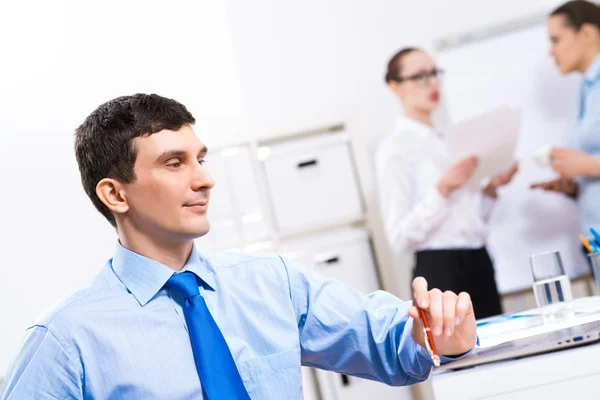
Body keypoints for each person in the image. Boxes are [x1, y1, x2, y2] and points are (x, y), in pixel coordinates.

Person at [0, 94, 477, 399]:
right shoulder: (67, 339)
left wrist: (435, 333)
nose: (204, 179)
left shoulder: (272, 283)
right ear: (115, 194)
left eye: (201, 159)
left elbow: (390, 344)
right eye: (174, 163)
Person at [376, 49, 519, 320]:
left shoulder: (448, 137)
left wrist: (490, 189)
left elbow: (468, 220)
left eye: (434, 73)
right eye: (419, 76)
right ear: (395, 87)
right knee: (457, 358)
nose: (432, 83)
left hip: (478, 259)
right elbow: (399, 237)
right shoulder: (394, 148)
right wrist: (442, 191)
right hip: (440, 270)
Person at [531, 1, 600, 249]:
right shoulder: (586, 90)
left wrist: (588, 166)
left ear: (587, 34)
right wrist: (574, 183)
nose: (551, 51)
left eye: (556, 40)